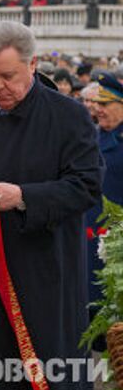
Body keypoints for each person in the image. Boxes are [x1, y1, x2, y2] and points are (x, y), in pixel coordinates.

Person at [0, 21, 102, 390]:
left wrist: (24, 197)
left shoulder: (68, 116)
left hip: (44, 274)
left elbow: (86, 185)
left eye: (7, 75)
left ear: (32, 65)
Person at [84, 72, 123, 351]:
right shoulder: (92, 137)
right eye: (96, 103)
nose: (97, 109)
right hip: (90, 234)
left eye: (105, 104)